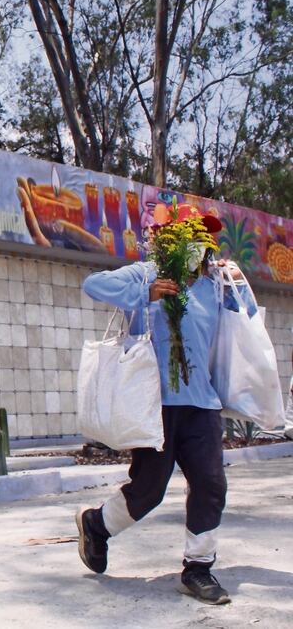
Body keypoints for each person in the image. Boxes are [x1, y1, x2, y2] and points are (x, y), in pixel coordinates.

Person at [74, 209, 252, 606]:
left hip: (202, 404)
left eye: (203, 238)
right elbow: (93, 283)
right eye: (187, 235)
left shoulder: (214, 284)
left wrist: (238, 283)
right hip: (156, 404)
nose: (197, 244)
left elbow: (248, 320)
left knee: (210, 484)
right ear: (166, 240)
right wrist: (146, 293)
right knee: (148, 490)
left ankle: (198, 567)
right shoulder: (146, 274)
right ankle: (97, 525)